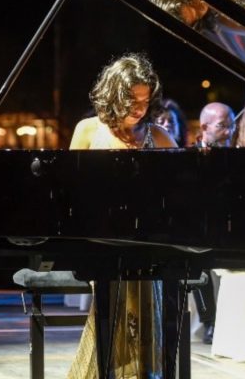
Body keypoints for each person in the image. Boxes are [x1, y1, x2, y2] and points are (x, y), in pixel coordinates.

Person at [67, 53, 177, 379]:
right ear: (113, 94)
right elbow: (70, 190)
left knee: (143, 274)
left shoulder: (156, 136)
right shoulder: (88, 130)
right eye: (132, 100)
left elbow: (181, 188)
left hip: (146, 240)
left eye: (145, 101)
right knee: (114, 286)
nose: (139, 109)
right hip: (101, 237)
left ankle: (143, 373)